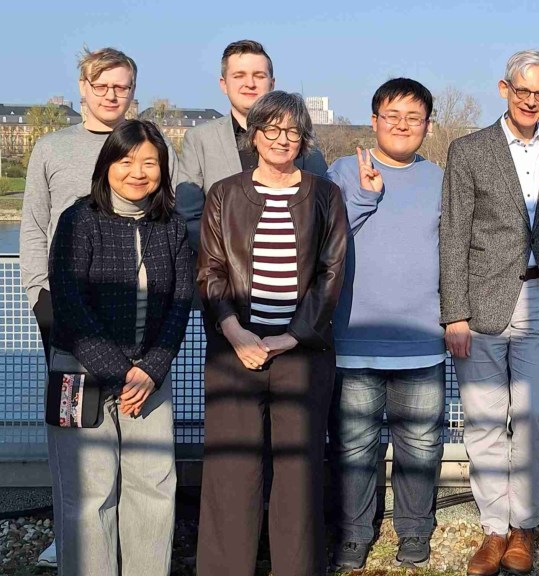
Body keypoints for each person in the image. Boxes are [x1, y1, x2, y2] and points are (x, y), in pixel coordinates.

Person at [17, 46, 177, 570]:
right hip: (69, 330)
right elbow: (35, 231)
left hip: (141, 356)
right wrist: (42, 303)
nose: (113, 94)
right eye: (102, 85)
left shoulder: (156, 184)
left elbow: (179, 296)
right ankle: (82, 557)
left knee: (148, 479)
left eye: (123, 86)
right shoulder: (55, 157)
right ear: (83, 87)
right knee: (84, 477)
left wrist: (145, 368)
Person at [439, 49, 539, 576]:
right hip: (479, 305)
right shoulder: (469, 150)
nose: (531, 101)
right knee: (482, 422)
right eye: (523, 91)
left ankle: (525, 527)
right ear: (504, 89)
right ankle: (494, 530)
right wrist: (453, 313)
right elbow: (452, 234)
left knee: (536, 420)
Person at [195, 91, 347, 576]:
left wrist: (293, 335)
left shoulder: (325, 194)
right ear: (254, 135)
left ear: (304, 138)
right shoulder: (223, 193)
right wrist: (236, 332)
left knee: (299, 476)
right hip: (233, 353)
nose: (282, 140)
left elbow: (331, 273)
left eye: (292, 131)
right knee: (230, 473)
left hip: (302, 354)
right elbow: (211, 271)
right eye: (272, 130)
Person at [47, 119, 194, 575]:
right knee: (88, 494)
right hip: (80, 373)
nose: (137, 171)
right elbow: (68, 302)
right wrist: (118, 371)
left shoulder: (169, 226)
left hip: (148, 378)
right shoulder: (78, 219)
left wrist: (151, 368)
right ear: (106, 164)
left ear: (163, 170)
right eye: (126, 159)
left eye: (150, 162)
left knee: (153, 488)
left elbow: (181, 301)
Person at [326, 78, 445, 571]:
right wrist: (365, 197)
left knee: (420, 442)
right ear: (373, 120)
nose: (401, 125)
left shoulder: (440, 178)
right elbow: (324, 242)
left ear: (427, 126)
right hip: (354, 338)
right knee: (353, 443)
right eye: (391, 115)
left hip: (423, 338)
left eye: (413, 117)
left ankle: (415, 530)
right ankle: (354, 533)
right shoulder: (342, 171)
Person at [175, 39, 328, 253]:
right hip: (224, 273)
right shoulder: (199, 139)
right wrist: (223, 261)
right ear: (223, 84)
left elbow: (324, 202)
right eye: (239, 76)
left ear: (272, 83)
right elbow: (189, 215)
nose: (250, 84)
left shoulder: (300, 136)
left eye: (259, 76)